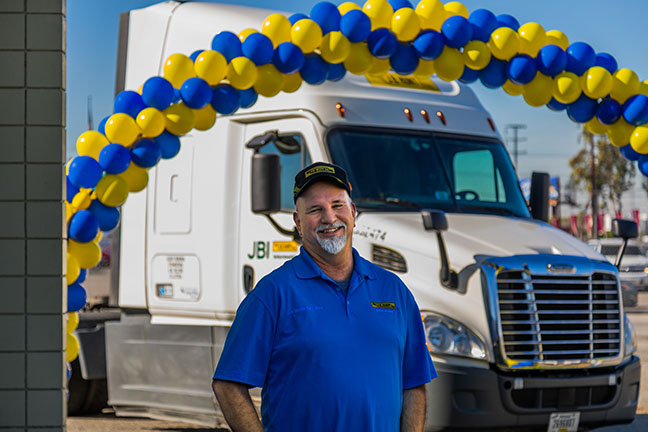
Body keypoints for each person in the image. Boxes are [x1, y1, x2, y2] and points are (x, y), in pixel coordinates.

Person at [212, 162, 437, 431]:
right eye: (315, 210)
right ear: (298, 222)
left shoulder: (394, 291)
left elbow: (414, 383)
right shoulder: (272, 294)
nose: (329, 218)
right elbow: (228, 385)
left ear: (353, 212)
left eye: (337, 205)